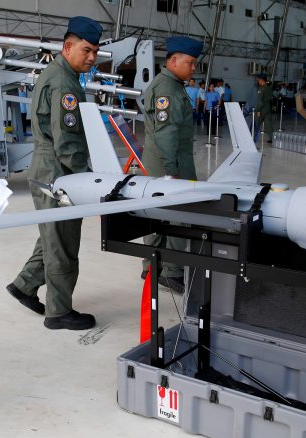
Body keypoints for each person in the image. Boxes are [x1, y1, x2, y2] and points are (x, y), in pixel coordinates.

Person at [5, 16, 103, 330]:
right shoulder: (64, 83)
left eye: (95, 52)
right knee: (62, 243)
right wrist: (91, 180)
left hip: (49, 167)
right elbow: (67, 143)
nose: (92, 57)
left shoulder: (60, 74)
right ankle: (58, 312)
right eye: (87, 50)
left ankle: (24, 285)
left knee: (53, 235)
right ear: (68, 47)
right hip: (58, 172)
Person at [139, 36, 203, 294]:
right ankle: (172, 272)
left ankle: (151, 267)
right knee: (178, 216)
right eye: (190, 63)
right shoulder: (168, 89)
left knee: (156, 214)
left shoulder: (170, 84)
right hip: (170, 162)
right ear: (174, 60)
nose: (194, 68)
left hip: (162, 160)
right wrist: (171, 172)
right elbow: (166, 134)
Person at [254, 73, 274, 142]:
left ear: (262, 80)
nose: (258, 81)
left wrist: (257, 110)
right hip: (267, 108)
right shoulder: (269, 88)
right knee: (268, 124)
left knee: (256, 124)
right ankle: (272, 138)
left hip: (261, 110)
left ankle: (252, 137)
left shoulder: (262, 89)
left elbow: (260, 101)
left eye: (258, 79)